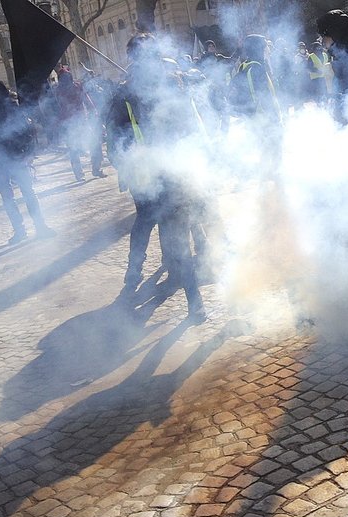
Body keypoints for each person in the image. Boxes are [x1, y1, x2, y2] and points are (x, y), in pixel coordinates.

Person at [105, 34, 207, 323]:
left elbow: (190, 124)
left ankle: (194, 301)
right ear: (135, 59)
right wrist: (126, 166)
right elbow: (116, 138)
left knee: (177, 235)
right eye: (143, 56)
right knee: (145, 223)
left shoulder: (173, 84)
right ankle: (133, 272)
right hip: (145, 175)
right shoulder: (124, 94)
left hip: (176, 171)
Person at [0, 73, 56, 244]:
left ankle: (40, 226)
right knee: (7, 197)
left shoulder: (12, 106)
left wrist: (29, 153)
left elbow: (27, 130)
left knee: (28, 192)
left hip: (18, 156)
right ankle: (19, 230)